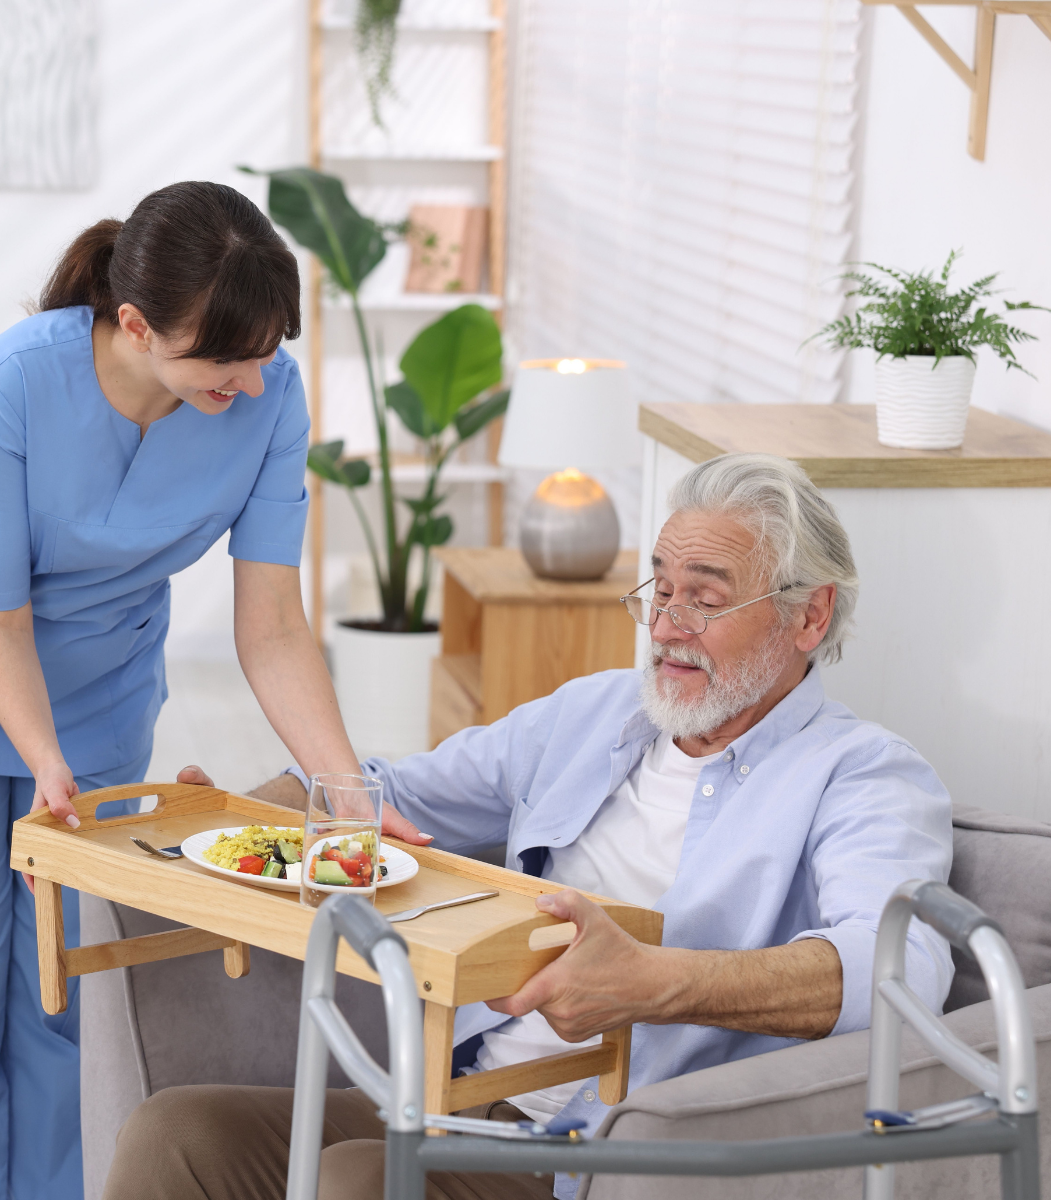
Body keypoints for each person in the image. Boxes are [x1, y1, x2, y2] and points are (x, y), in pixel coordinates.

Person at [104, 452, 954, 1200]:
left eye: (705, 598)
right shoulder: (596, 714)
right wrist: (228, 823)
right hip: (455, 1092)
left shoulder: (862, 773)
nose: (664, 626)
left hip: (595, 1149)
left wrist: (654, 980)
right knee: (177, 1136)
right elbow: (381, 790)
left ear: (809, 617)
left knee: (358, 1184)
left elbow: (902, 967)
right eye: (660, 586)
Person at [0, 181, 423, 1200]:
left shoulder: (269, 396)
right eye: (222, 361)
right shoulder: (18, 378)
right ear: (134, 324)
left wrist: (347, 798)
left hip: (101, 690)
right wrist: (43, 761)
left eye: (266, 353)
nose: (247, 384)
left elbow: (275, 626)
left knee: (68, 996)